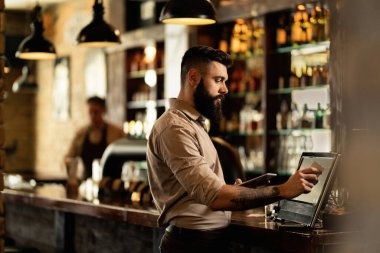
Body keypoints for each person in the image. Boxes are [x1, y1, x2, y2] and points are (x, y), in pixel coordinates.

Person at [146, 46, 321, 253]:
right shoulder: (174, 128)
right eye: (219, 80)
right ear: (193, 77)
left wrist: (237, 190)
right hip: (191, 245)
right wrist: (284, 190)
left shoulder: (193, 123)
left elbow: (202, 191)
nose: (225, 89)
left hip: (204, 241)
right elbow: (216, 197)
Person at [65, 96, 125, 179]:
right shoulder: (81, 134)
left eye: (96, 112)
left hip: (112, 183)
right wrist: (73, 179)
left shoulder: (117, 133)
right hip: (87, 183)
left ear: (103, 111)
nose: (93, 116)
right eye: (90, 112)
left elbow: (125, 159)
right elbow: (69, 158)